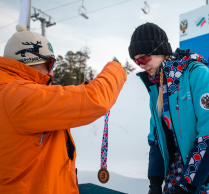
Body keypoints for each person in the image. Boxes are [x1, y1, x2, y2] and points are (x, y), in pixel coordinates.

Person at [0, 24, 126, 194]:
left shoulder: (9, 92)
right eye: (50, 64)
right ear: (30, 60)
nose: (52, 73)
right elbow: (94, 99)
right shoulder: (17, 96)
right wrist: (116, 67)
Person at [128, 23, 209, 194]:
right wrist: (155, 182)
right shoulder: (156, 87)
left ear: (159, 50)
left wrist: (187, 186)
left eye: (143, 58)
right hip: (179, 168)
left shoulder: (198, 74)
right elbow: (157, 138)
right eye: (136, 61)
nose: (141, 65)